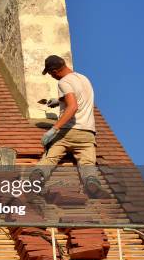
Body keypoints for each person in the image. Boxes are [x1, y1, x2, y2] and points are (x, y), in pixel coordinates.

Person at [31, 55, 104, 196]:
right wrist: (59, 101)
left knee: (50, 158)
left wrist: (54, 129)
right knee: (88, 163)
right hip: (87, 133)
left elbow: (73, 106)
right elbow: (77, 97)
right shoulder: (83, 78)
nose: (52, 77)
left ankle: (38, 176)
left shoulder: (63, 82)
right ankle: (91, 182)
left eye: (51, 74)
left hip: (68, 132)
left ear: (54, 71)